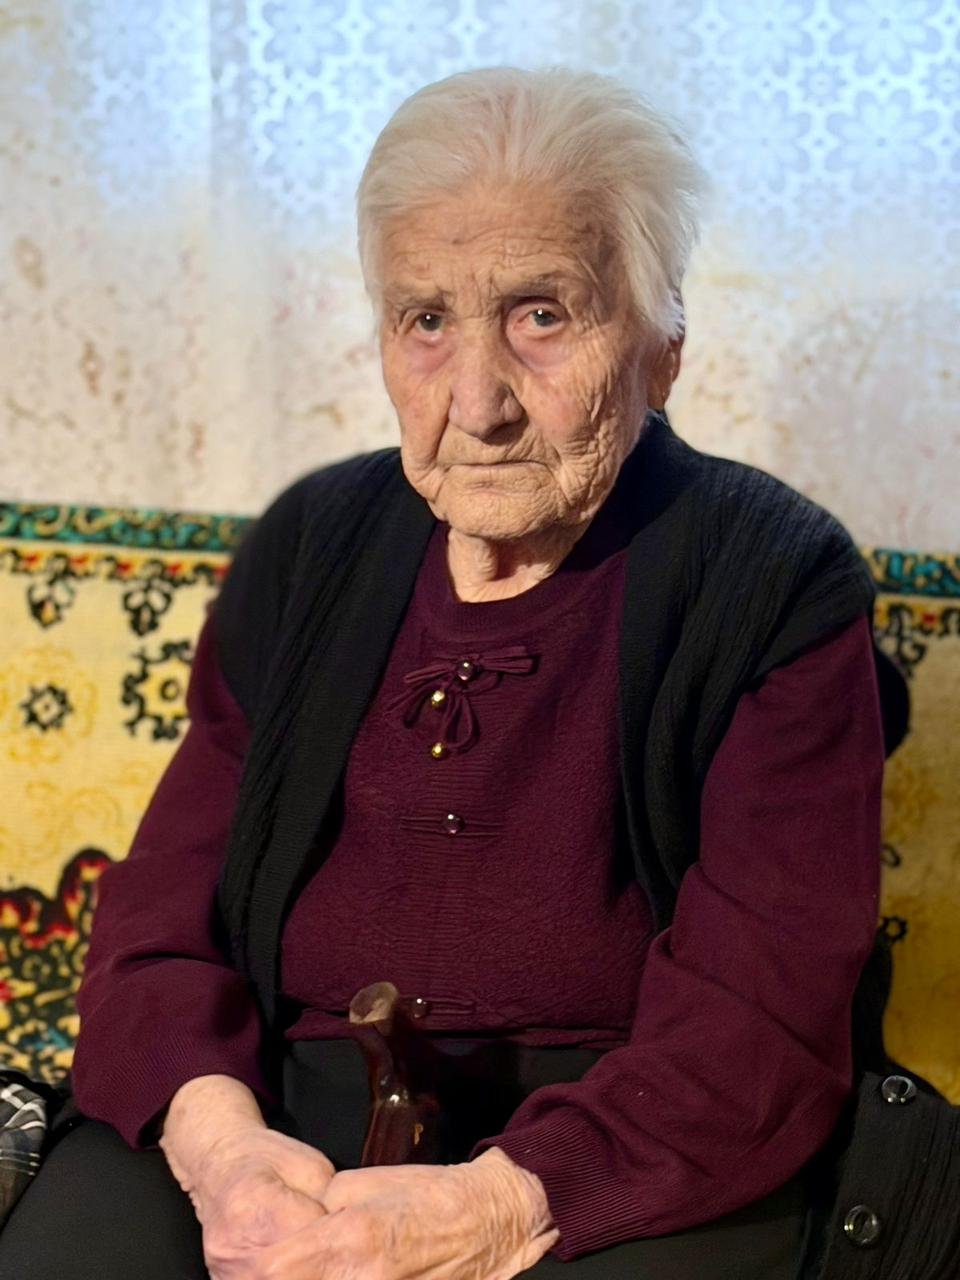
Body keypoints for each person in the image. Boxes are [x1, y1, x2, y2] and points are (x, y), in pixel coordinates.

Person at [0, 67, 888, 1279]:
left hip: (624, 1146)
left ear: (664, 344)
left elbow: (763, 1011)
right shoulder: (310, 547)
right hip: (271, 1113)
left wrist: (490, 1210)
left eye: (541, 314)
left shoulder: (772, 578)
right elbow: (159, 926)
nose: (478, 404)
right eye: (426, 320)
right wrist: (223, 1152)